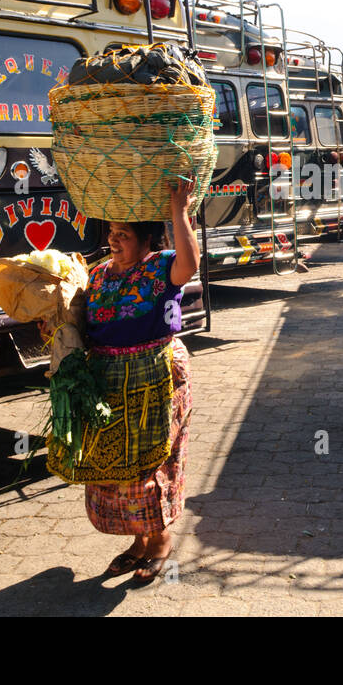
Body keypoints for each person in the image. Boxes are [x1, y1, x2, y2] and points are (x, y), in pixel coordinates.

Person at [53, 178, 200, 583]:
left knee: (149, 465)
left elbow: (191, 264)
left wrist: (179, 211)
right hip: (108, 384)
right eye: (112, 234)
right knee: (114, 467)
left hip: (156, 377)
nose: (114, 241)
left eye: (124, 235)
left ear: (147, 239)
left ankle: (160, 542)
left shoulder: (161, 266)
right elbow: (80, 323)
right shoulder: (98, 274)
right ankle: (138, 542)